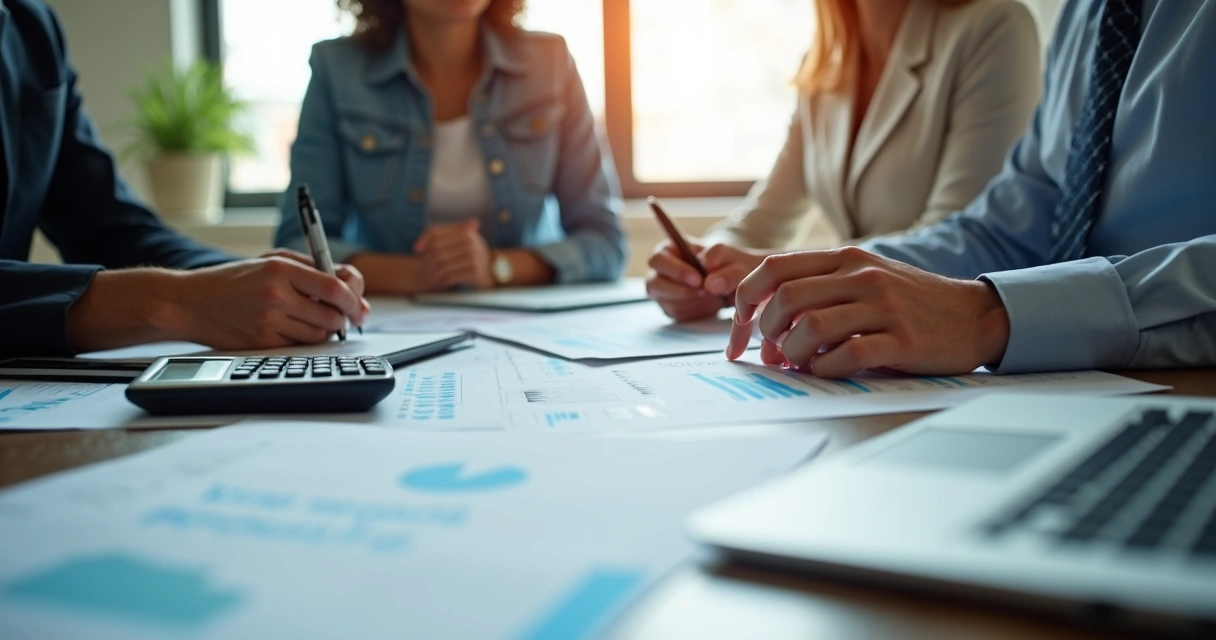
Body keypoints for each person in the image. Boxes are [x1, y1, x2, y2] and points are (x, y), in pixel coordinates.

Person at [725, 0, 1216, 378]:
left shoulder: (993, 22)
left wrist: (994, 316)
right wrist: (816, 276)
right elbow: (1010, 229)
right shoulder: (1088, 13)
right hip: (1068, 387)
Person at [0, 0, 369, 360]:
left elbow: (110, 230)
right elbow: (180, 294)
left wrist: (254, 282)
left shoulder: (32, 27)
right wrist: (174, 302)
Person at [647, 0, 1041, 322]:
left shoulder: (994, 25)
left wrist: (783, 271)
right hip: (856, 348)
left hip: (948, 345)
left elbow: (966, 246)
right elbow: (762, 222)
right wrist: (705, 267)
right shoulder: (825, 62)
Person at [274, 0, 626, 295]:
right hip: (388, 326)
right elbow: (296, 243)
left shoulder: (551, 61)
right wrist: (421, 273)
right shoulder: (335, 69)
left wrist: (495, 267)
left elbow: (605, 243)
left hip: (525, 326)